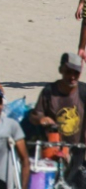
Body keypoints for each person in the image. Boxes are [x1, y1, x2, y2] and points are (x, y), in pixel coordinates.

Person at [30, 53, 86, 182]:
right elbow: (34, 115)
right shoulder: (49, 92)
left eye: (76, 73)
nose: (72, 77)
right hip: (53, 151)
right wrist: (41, 119)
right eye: (68, 72)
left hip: (77, 151)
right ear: (61, 70)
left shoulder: (83, 92)